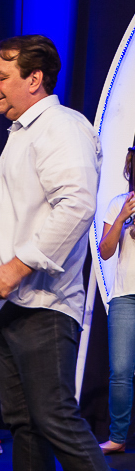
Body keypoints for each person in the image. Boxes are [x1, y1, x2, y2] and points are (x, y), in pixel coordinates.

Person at [0, 34, 133, 471]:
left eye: (0, 75)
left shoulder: (60, 127)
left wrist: (17, 266)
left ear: (34, 78)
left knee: (56, 418)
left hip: (41, 302)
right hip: (9, 305)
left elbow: (78, 205)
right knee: (26, 426)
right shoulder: (22, 135)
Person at [98, 151, 135, 454]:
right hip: (125, 297)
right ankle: (118, 438)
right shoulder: (118, 203)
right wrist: (122, 217)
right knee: (121, 371)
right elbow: (106, 251)